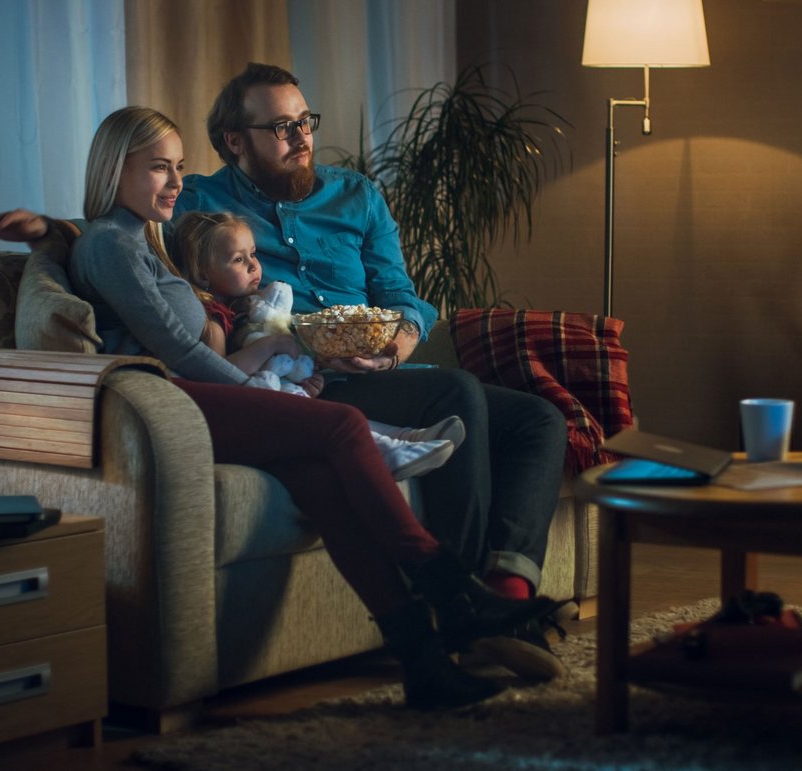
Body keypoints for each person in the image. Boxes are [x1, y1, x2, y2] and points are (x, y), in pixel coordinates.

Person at [0, 105, 568, 709]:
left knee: (321, 479)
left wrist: (53, 227)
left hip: (193, 394)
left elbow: (94, 242)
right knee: (338, 424)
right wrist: (263, 396)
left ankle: (423, 663)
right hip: (166, 401)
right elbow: (176, 347)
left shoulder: (137, 237)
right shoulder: (110, 243)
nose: (177, 182)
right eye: (160, 168)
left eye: (179, 167)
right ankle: (451, 592)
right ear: (114, 168)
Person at [171, 63, 570, 666]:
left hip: (384, 373)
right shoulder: (200, 201)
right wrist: (52, 234)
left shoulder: (355, 194)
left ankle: (504, 593)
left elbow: (401, 293)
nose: (302, 138)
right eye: (281, 127)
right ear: (235, 140)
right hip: (305, 386)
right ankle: (460, 617)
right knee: (457, 393)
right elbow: (115, 226)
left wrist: (400, 344)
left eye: (305, 121)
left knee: (539, 420)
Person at [172, 208, 464, 482]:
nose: (253, 266)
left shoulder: (248, 310)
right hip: (251, 412)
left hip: (275, 391)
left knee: (319, 405)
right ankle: (390, 451)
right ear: (202, 274)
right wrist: (271, 345)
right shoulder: (212, 322)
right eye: (238, 260)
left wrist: (305, 374)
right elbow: (218, 378)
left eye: (253, 254)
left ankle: (408, 438)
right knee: (330, 418)